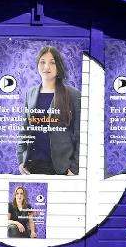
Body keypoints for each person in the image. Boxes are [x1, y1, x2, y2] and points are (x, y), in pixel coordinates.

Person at [18, 45, 80, 176]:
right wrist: (20, 160)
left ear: (59, 66)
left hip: (61, 167)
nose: (46, 67)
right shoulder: (30, 93)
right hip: (32, 165)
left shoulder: (73, 94)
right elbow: (24, 129)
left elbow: (79, 133)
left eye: (52, 62)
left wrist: (74, 167)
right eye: (42, 62)